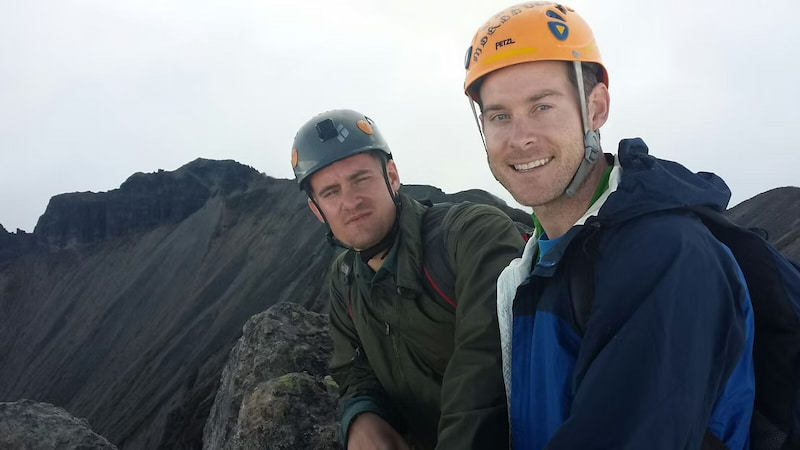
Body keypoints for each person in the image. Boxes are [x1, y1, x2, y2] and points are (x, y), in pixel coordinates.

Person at [462, 3, 755, 449]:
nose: (520, 137)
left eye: (542, 106)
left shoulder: (667, 256)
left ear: (595, 108)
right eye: (499, 116)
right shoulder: (527, 271)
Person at [291, 109, 525, 449]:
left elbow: (486, 366)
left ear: (392, 175)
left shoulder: (470, 234)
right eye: (330, 192)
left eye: (360, 179)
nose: (350, 202)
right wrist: (361, 417)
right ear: (317, 210)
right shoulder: (345, 279)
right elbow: (354, 370)